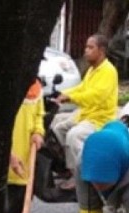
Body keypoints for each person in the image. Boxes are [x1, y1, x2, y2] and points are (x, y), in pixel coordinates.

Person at [51, 34, 119, 190]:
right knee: (57, 128)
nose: (86, 51)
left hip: (100, 119)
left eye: (90, 47)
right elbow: (82, 88)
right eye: (86, 47)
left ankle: (78, 176)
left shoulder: (108, 71)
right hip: (86, 114)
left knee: (74, 135)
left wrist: (71, 97)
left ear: (101, 50)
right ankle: (67, 168)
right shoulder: (92, 70)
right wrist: (63, 94)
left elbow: (95, 96)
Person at [0, 78, 45, 213]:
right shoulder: (3, 86)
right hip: (1, 161)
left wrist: (38, 132)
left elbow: (38, 116)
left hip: (24, 161)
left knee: (16, 210)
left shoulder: (35, 88)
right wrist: (8, 155)